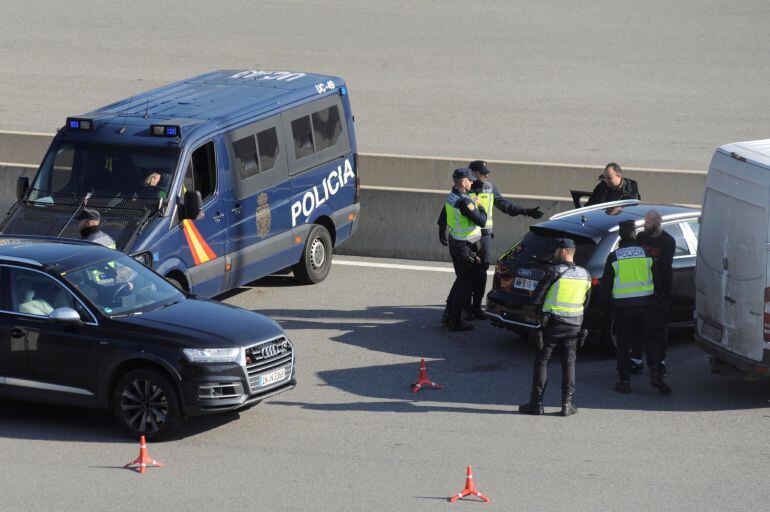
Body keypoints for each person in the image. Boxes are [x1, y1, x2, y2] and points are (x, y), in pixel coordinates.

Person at [438, 160, 543, 320]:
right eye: (482, 172)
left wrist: (525, 211)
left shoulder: (489, 187)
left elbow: (505, 205)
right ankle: (462, 308)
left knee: (480, 272)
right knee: (465, 276)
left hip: (483, 236)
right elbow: (448, 209)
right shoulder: (464, 190)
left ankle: (475, 307)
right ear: (471, 173)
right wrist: (442, 227)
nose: (485, 175)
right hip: (467, 239)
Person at [519, 238, 591, 416]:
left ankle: (536, 404)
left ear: (565, 252)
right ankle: (567, 405)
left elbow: (536, 298)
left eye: (557, 250)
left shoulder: (553, 272)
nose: (554, 253)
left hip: (552, 324)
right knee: (569, 363)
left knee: (542, 361)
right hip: (574, 324)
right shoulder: (585, 274)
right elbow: (586, 302)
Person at [600, 220, 671, 394]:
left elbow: (606, 286)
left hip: (623, 307)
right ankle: (656, 374)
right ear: (634, 234)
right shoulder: (646, 254)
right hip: (646, 305)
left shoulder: (614, 256)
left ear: (620, 236)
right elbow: (657, 280)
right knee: (651, 340)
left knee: (623, 343)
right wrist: (657, 299)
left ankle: (624, 381)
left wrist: (605, 307)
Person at [441, 168, 488, 331]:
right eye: (470, 179)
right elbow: (481, 221)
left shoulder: (452, 196)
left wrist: (441, 230)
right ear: (463, 182)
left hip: (456, 242)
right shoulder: (465, 202)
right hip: (464, 246)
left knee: (460, 280)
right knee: (465, 284)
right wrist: (481, 206)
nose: (473, 182)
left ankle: (448, 314)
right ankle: (455, 320)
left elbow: (444, 216)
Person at [633, 210, 675, 375]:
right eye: (644, 221)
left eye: (648, 222)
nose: (645, 225)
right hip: (642, 289)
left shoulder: (668, 241)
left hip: (661, 291)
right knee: (638, 327)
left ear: (657, 223)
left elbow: (663, 267)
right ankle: (636, 361)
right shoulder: (641, 238)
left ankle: (660, 362)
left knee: (659, 328)